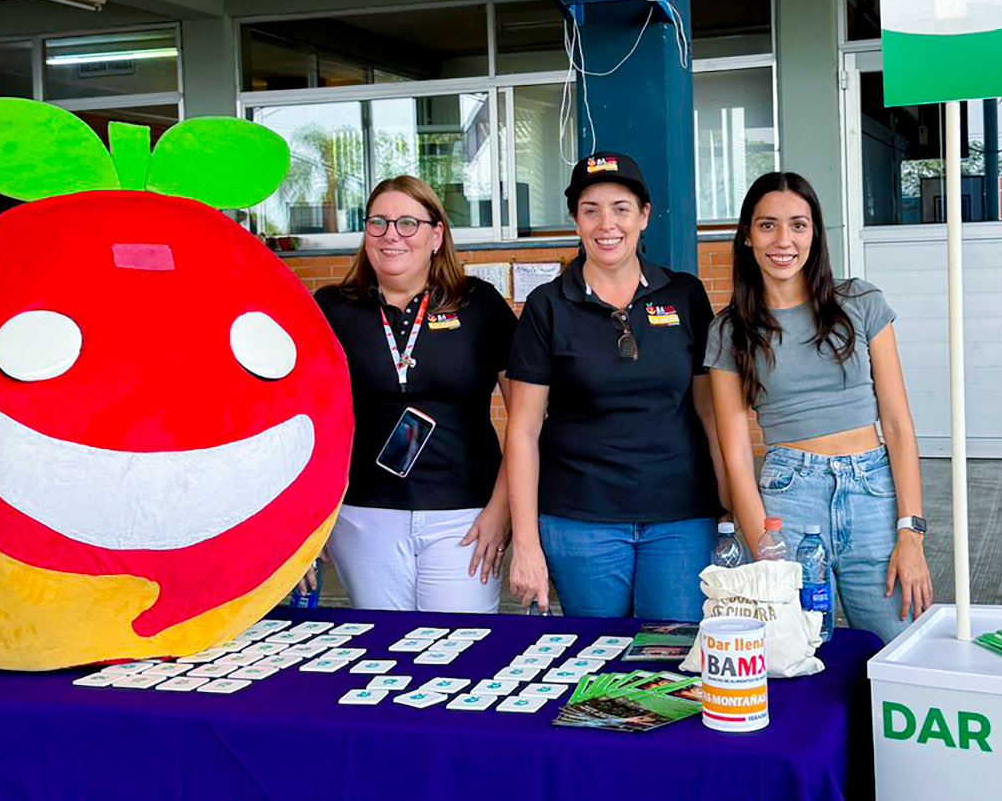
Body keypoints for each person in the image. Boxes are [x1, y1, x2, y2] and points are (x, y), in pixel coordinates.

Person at [705, 172, 932, 642]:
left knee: (898, 646)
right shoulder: (729, 331)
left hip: (874, 493)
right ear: (747, 236)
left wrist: (911, 533)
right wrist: (764, 552)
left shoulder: (861, 302)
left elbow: (898, 424)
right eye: (767, 226)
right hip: (789, 496)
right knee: (801, 648)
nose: (783, 240)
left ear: (815, 233)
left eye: (798, 225)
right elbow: (735, 456)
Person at [505, 152, 726, 621]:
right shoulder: (548, 306)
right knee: (597, 664)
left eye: (621, 208)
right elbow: (522, 433)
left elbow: (711, 413)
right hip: (580, 521)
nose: (607, 224)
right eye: (591, 210)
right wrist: (525, 546)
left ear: (644, 215)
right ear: (575, 220)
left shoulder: (684, 295)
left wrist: (728, 505)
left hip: (680, 518)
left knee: (668, 666)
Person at [311, 175, 516, 612]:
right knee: (385, 655)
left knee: (460, 652)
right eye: (378, 223)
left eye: (408, 223)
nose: (392, 236)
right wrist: (310, 520)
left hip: (465, 516)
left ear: (437, 234)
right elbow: (305, 417)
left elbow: (526, 421)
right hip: (363, 516)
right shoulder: (332, 308)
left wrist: (502, 511)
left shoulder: (478, 304)